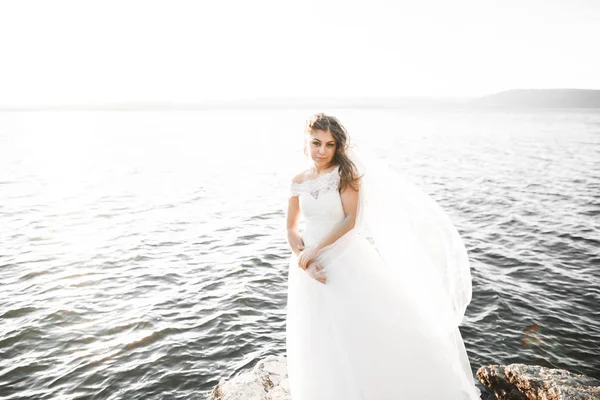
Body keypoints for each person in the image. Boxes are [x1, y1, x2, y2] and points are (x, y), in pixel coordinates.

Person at [285, 112, 482, 399]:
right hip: (307, 267)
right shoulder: (298, 180)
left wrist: (316, 251)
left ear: (337, 146)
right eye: (316, 143)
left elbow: (350, 220)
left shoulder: (345, 175)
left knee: (364, 326)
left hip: (343, 257)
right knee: (317, 334)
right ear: (306, 141)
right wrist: (303, 260)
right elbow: (290, 228)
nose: (322, 151)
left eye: (329, 145)